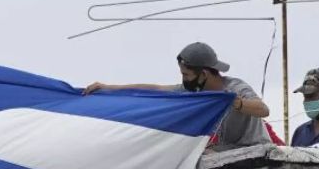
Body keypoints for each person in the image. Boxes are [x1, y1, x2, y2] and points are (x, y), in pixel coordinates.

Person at [84, 42, 271, 151]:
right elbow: (155, 89)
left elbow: (263, 110)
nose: (184, 80)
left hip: (256, 153)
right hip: (227, 154)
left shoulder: (234, 87)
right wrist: (109, 88)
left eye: (186, 75)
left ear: (204, 73)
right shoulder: (194, 91)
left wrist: (234, 102)